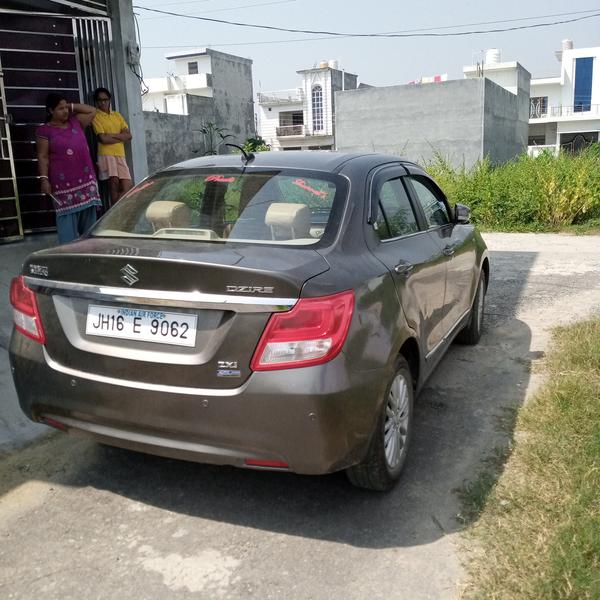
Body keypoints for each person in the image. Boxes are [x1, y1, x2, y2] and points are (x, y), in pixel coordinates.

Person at [36, 94, 102, 244]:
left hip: (86, 184)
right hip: (63, 187)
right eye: (60, 108)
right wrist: (44, 179)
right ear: (50, 111)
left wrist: (70, 106)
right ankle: (69, 259)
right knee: (67, 230)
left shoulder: (76, 122)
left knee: (89, 231)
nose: (65, 111)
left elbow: (92, 111)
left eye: (66, 107)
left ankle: (89, 257)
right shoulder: (44, 131)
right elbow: (43, 157)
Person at [92, 87, 133, 205]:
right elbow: (103, 139)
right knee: (114, 186)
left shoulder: (117, 115)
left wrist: (110, 135)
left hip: (120, 154)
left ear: (109, 100)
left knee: (128, 187)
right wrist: (120, 136)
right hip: (106, 154)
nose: (103, 102)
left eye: (105, 99)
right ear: (96, 101)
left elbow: (129, 136)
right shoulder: (96, 116)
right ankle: (115, 215)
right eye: (100, 100)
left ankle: (113, 211)